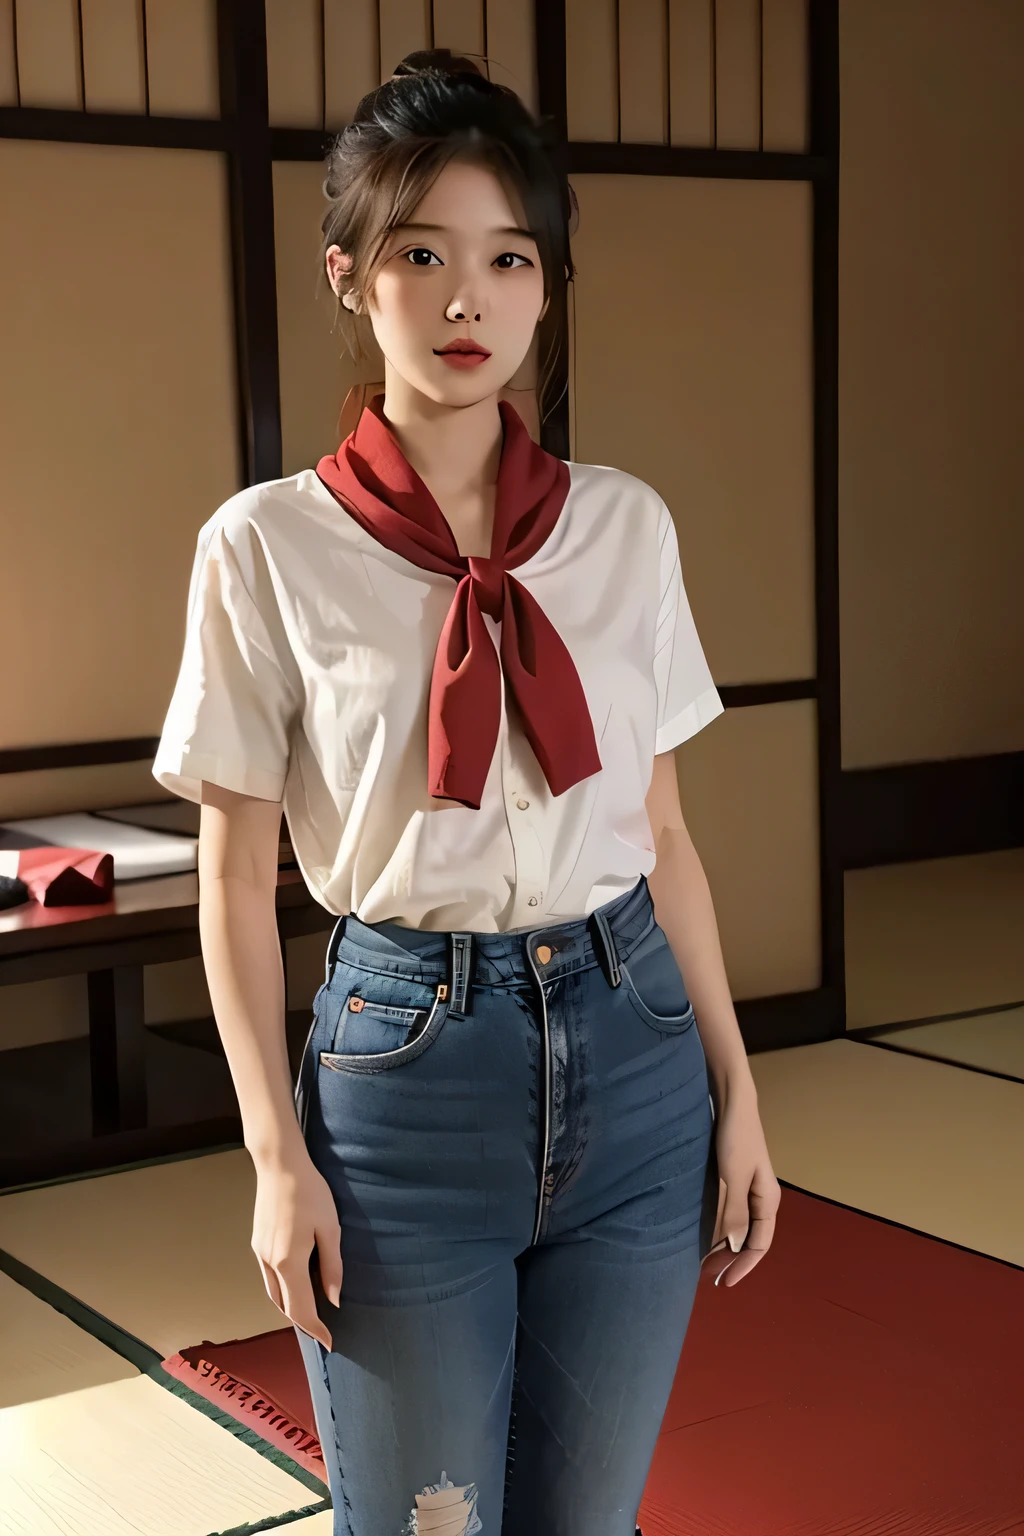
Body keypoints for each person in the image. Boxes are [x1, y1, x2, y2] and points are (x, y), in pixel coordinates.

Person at [153, 47, 781, 1536]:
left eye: (508, 259)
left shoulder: (625, 528)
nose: (464, 301)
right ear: (349, 277)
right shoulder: (263, 549)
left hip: (634, 1058)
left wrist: (738, 1091)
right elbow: (235, 876)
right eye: (420, 254)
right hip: (404, 1078)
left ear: (549, 288)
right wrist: (272, 1157)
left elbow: (667, 834)